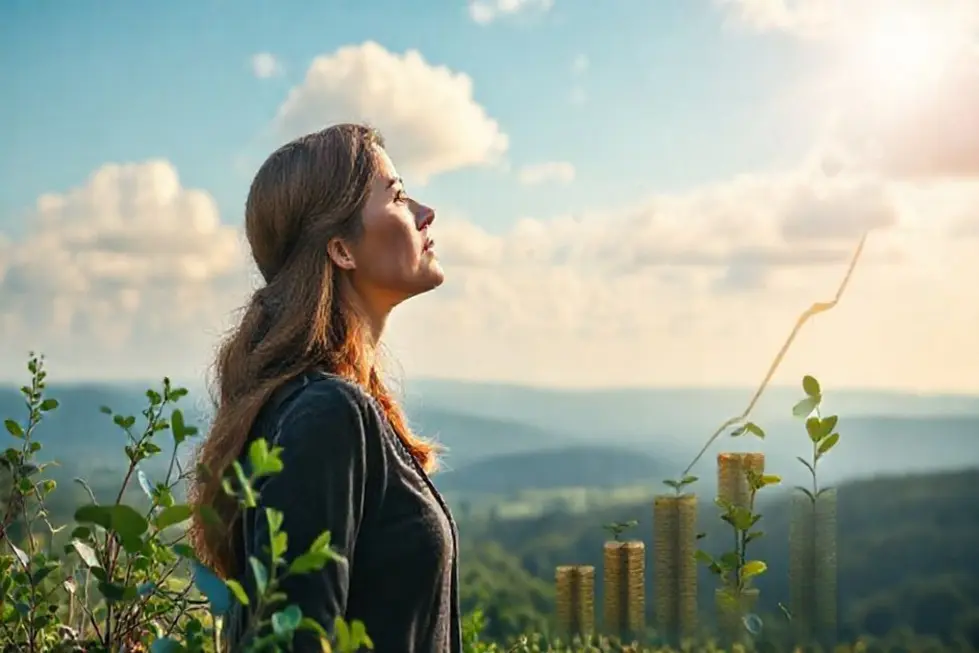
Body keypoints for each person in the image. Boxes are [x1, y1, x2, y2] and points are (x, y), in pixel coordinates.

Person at [188, 123, 461, 653]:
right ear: (341, 249)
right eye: (400, 197)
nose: (426, 213)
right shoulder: (326, 415)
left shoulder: (331, 408)